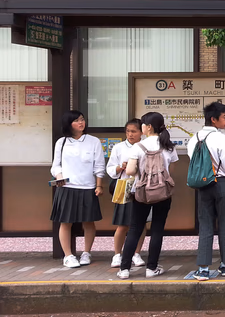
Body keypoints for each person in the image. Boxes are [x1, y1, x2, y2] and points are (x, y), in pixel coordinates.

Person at [117, 112, 178, 279]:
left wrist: (140, 173)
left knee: (135, 228)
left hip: (142, 192)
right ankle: (152, 268)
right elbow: (170, 171)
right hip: (163, 193)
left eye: (142, 124)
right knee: (157, 228)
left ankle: (124, 269)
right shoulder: (168, 146)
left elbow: (129, 171)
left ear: (148, 127)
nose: (141, 127)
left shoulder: (138, 146)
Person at [187, 102, 225, 281]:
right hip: (223, 183)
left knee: (206, 226)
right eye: (224, 117)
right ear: (214, 119)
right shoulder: (220, 138)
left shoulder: (194, 138)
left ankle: (203, 269)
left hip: (203, 186)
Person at [50, 110, 105, 268]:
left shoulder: (93, 141)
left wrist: (99, 185)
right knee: (65, 222)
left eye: (82, 119)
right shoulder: (62, 142)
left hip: (88, 187)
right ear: (69, 124)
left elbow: (99, 166)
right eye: (76, 121)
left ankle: (86, 252)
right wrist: (59, 176)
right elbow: (56, 165)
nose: (81, 123)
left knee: (89, 222)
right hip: (66, 187)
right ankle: (68, 256)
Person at [106, 118, 148, 268]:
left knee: (140, 224)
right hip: (124, 187)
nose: (130, 134)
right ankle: (117, 254)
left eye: (134, 131)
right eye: (128, 131)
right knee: (123, 224)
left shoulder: (144, 146)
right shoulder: (118, 148)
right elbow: (110, 169)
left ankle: (136, 253)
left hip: (141, 187)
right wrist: (120, 167)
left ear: (141, 132)